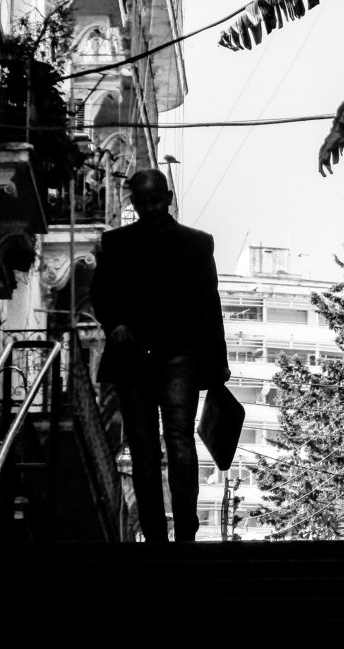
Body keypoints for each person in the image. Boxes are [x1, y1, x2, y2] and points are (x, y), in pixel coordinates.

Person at [89, 168, 230, 542]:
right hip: (134, 356)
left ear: (167, 199)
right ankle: (154, 536)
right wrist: (114, 324)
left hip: (180, 355)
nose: (150, 208)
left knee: (179, 441)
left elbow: (209, 305)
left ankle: (185, 530)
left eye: (156, 201)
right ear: (134, 204)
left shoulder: (196, 244)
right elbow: (101, 294)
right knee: (143, 449)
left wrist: (218, 365)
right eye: (143, 202)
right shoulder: (116, 243)